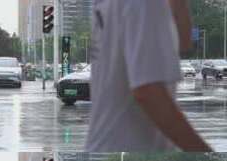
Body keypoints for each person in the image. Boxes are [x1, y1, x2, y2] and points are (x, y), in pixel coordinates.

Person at [86, 0, 211, 152]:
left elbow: (183, 44)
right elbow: (148, 91)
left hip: (107, 147)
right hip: (130, 151)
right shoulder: (147, 4)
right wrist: (204, 154)